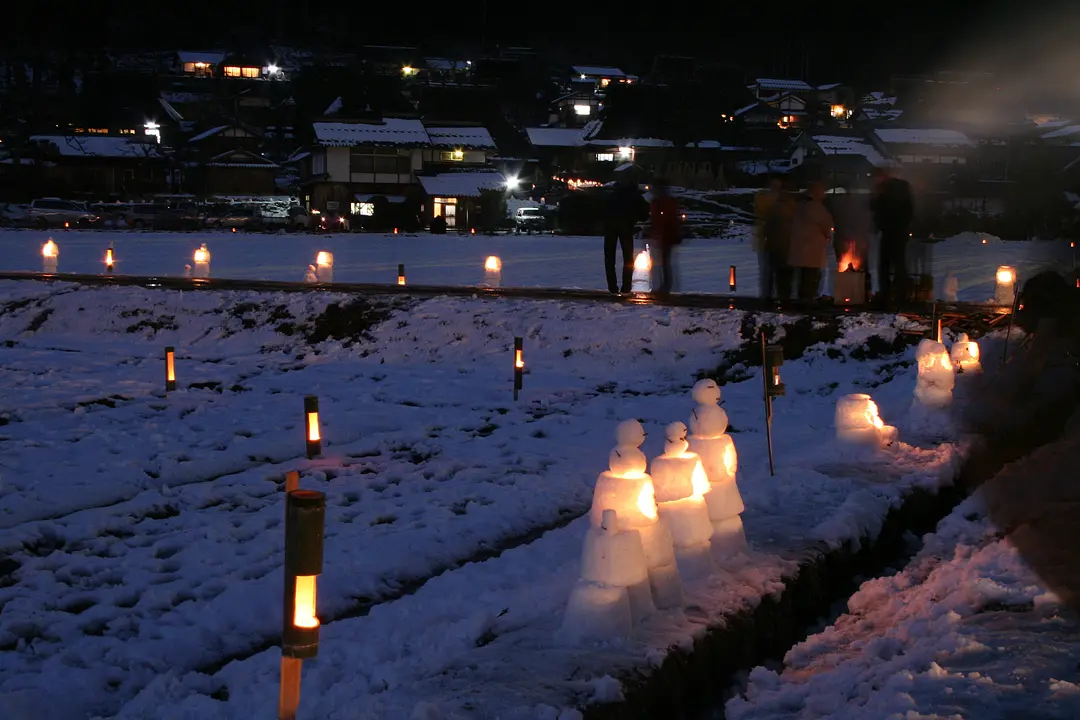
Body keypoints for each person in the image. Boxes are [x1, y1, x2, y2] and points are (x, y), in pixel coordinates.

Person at [871, 167, 915, 306]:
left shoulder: (886, 190)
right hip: (900, 230)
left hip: (890, 230)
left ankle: (886, 295)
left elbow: (879, 208)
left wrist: (879, 223)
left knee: (885, 265)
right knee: (899, 263)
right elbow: (909, 209)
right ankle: (902, 295)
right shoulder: (903, 188)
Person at [787, 180, 834, 301]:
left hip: (801, 249)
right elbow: (826, 223)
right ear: (816, 192)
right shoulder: (814, 206)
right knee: (811, 278)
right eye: (823, 192)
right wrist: (828, 234)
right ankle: (808, 302)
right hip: (811, 249)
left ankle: (803, 300)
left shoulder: (800, 204)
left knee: (804, 278)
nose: (825, 195)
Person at [603, 174, 649, 294]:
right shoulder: (634, 195)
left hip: (610, 225)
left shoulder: (611, 193)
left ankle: (612, 287)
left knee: (609, 257)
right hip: (626, 226)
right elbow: (644, 213)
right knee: (628, 258)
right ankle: (626, 287)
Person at [764, 179, 798, 300]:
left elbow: (767, 229)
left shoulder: (774, 209)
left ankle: (778, 297)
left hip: (776, 247)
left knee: (778, 275)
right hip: (785, 248)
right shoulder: (790, 211)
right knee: (785, 276)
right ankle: (785, 299)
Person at [649, 179, 681, 295]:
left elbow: (662, 220)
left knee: (664, 262)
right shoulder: (664, 201)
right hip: (664, 235)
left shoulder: (660, 202)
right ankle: (663, 286)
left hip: (665, 236)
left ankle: (664, 286)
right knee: (663, 262)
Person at [754, 176, 783, 298]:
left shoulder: (763, 198)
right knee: (768, 271)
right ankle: (768, 296)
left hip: (771, 240)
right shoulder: (766, 199)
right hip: (768, 241)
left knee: (770, 271)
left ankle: (768, 296)